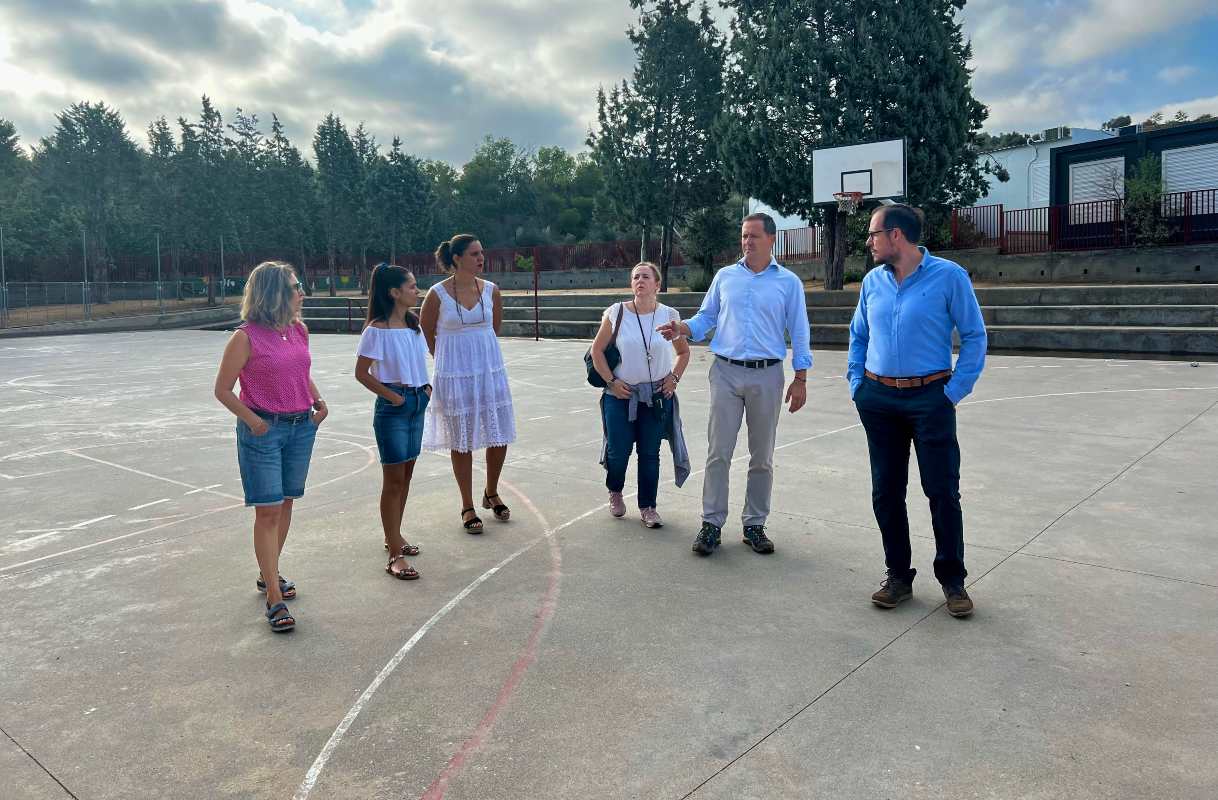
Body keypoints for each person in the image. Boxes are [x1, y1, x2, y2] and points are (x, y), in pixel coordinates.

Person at [847, 203, 987, 618]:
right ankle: (897, 576)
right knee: (886, 491)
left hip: (931, 398)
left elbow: (975, 336)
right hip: (879, 399)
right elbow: (858, 336)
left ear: (896, 236)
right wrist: (858, 384)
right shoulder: (872, 282)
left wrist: (953, 391)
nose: (868, 242)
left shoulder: (949, 276)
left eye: (873, 234)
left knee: (942, 490)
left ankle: (953, 580)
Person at [657, 212, 812, 557]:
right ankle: (711, 523)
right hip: (725, 371)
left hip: (767, 374)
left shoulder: (788, 283)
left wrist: (801, 377)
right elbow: (707, 317)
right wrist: (682, 328)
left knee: (762, 456)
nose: (747, 242)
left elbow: (800, 331)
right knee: (718, 452)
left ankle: (754, 524)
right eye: (744, 236)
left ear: (771, 239)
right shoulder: (725, 277)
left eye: (754, 236)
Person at [214, 261, 327, 632]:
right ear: (275, 293)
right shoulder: (245, 337)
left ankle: (270, 573)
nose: (302, 292)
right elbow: (223, 390)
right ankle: (274, 597)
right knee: (268, 512)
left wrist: (318, 401)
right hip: (265, 431)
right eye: (296, 286)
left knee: (286, 502)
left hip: (300, 428)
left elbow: (300, 372)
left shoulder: (298, 330)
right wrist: (253, 421)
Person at [419, 235, 516, 533]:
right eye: (474, 254)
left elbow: (494, 328)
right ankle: (467, 504)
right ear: (457, 258)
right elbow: (425, 331)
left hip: (489, 371)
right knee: (461, 440)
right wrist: (444, 361)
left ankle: (491, 491)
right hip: (453, 374)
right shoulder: (436, 294)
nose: (481, 258)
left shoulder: (492, 291)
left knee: (498, 435)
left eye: (482, 253)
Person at [590, 262, 691, 528]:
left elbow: (683, 352)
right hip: (620, 395)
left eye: (646, 276)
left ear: (657, 284)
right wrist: (611, 382)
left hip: (656, 395)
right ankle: (615, 489)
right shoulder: (616, 313)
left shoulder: (669, 315)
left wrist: (674, 378)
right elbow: (596, 352)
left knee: (649, 453)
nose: (640, 280)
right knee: (618, 450)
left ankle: (648, 507)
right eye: (635, 277)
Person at [355, 264, 430, 580]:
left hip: (417, 403)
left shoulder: (414, 325)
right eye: (412, 286)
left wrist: (424, 390)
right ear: (394, 292)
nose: (417, 291)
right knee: (393, 480)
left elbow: (419, 361)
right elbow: (362, 373)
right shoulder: (377, 330)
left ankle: (394, 534)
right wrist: (394, 396)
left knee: (407, 475)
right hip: (394, 408)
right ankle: (394, 555)